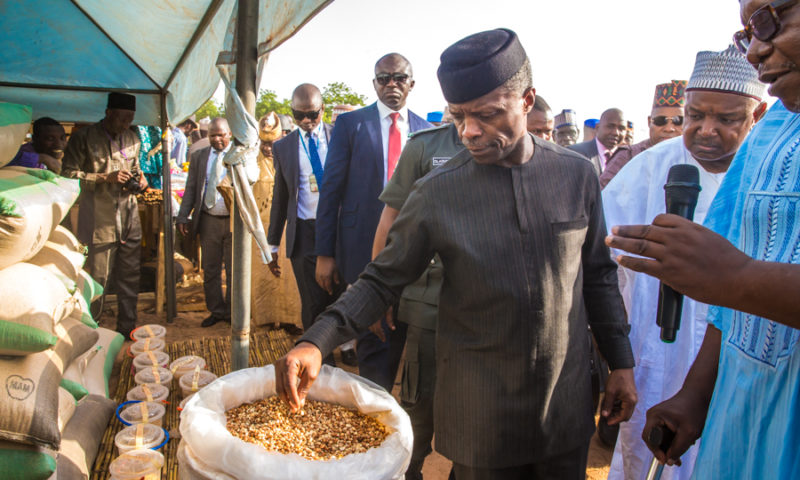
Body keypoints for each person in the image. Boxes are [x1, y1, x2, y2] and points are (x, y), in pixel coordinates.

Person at [277, 28, 637, 479]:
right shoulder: (437, 193)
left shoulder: (576, 176)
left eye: (486, 115)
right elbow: (381, 279)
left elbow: (599, 277)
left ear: (527, 101)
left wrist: (620, 363)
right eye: (458, 116)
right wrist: (317, 340)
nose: (469, 132)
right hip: (480, 414)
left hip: (562, 409)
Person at [606, 2, 800, 477]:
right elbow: (602, 262)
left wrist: (737, 277)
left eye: (769, 22)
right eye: (694, 116)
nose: (755, 49)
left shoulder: (762, 135)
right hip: (716, 391)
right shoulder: (773, 134)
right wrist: (694, 392)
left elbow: (731, 282)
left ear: (751, 114)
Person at [314, 53, 432, 391]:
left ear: (411, 83)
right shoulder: (352, 125)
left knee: (402, 332)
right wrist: (325, 253)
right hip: (362, 247)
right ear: (374, 83)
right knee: (372, 335)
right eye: (383, 78)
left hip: (411, 249)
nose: (391, 84)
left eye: (399, 77)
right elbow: (331, 190)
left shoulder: (427, 131)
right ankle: (374, 405)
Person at [373, 121, 463, 480]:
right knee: (418, 409)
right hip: (430, 302)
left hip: (490, 311)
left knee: (476, 419)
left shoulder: (512, 144)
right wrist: (381, 292)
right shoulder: (426, 146)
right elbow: (390, 218)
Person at [267, 84, 344, 366]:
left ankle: (345, 342)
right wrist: (272, 243)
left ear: (322, 109)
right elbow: (280, 196)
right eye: (299, 116)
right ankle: (323, 364)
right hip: (304, 233)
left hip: (339, 230)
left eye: (312, 115)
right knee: (312, 304)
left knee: (341, 295)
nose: (307, 122)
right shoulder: (283, 147)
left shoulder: (340, 137)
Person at [61, 92, 146, 338]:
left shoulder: (132, 138)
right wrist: (102, 178)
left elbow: (136, 169)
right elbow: (67, 175)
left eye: (130, 119)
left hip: (130, 220)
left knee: (130, 277)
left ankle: (127, 328)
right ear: (108, 113)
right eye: (121, 119)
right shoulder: (83, 138)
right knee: (98, 279)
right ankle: (92, 330)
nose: (125, 125)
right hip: (99, 221)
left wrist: (140, 178)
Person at [176, 118, 233, 328]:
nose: (217, 139)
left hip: (233, 221)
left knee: (235, 270)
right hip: (209, 220)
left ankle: (232, 311)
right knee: (211, 269)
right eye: (212, 135)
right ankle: (216, 311)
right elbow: (191, 188)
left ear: (230, 134)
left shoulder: (238, 156)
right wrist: (183, 215)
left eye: (221, 135)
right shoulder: (200, 157)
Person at [600, 80, 688, 187]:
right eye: (660, 120)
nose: (669, 128)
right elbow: (601, 197)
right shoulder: (628, 157)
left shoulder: (698, 158)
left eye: (678, 120)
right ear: (649, 122)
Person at [570, 108, 628, 175]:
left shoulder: (627, 158)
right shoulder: (575, 153)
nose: (616, 133)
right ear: (597, 128)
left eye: (621, 128)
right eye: (610, 126)